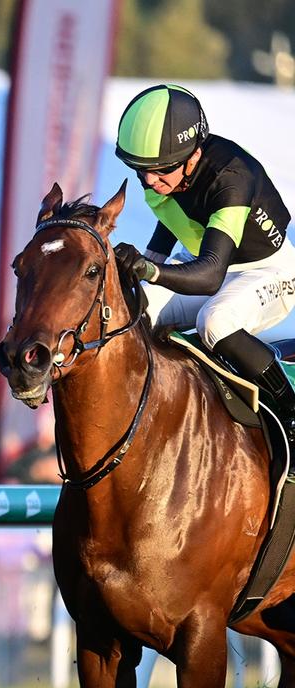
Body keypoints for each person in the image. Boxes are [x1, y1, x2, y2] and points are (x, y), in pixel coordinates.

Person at [112, 84, 295, 441]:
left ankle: (292, 410)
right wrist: (141, 270)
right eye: (141, 169)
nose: (150, 180)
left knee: (214, 321)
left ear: (193, 156)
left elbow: (210, 277)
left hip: (266, 270)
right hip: (206, 260)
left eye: (160, 170)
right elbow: (171, 217)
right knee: (133, 310)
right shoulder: (164, 170)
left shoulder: (231, 177)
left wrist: (149, 269)